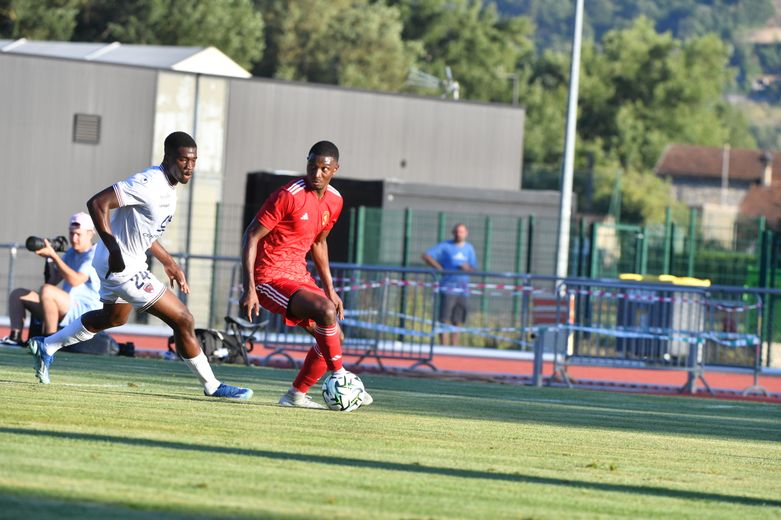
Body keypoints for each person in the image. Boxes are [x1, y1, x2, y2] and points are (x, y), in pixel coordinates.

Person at [26, 131, 252, 400]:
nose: (189, 166)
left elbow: (145, 232)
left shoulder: (169, 187)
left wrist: (168, 262)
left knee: (114, 318)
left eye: (194, 160)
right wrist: (113, 248)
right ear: (168, 157)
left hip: (117, 263)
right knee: (183, 319)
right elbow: (97, 203)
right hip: (122, 266)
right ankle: (212, 385)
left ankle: (47, 345)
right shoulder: (149, 182)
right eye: (183, 160)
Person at [240, 140, 372, 409]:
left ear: (335, 169)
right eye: (312, 166)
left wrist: (331, 290)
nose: (317, 173)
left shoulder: (335, 201)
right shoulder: (288, 195)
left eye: (324, 168)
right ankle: (342, 378)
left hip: (298, 275)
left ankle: (294, 396)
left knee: (334, 336)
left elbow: (319, 244)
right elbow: (251, 236)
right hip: (270, 276)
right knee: (326, 314)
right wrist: (250, 287)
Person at [1, 213, 101, 345]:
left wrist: (54, 256)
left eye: (78, 234)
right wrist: (49, 259)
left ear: (90, 233)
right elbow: (51, 282)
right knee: (17, 294)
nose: (74, 238)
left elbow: (75, 281)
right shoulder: (71, 252)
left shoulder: (95, 253)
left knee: (47, 291)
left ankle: (50, 342)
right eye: (71, 233)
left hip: (86, 312)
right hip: (67, 308)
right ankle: (15, 337)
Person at [421, 223, 478, 345]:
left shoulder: (469, 248)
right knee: (445, 318)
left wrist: (467, 268)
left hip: (463, 289)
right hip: (448, 287)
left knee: (458, 320)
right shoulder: (446, 246)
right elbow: (426, 256)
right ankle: (443, 346)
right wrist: (439, 268)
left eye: (462, 232)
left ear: (466, 233)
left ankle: (454, 347)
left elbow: (473, 268)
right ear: (453, 233)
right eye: (457, 231)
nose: (459, 234)